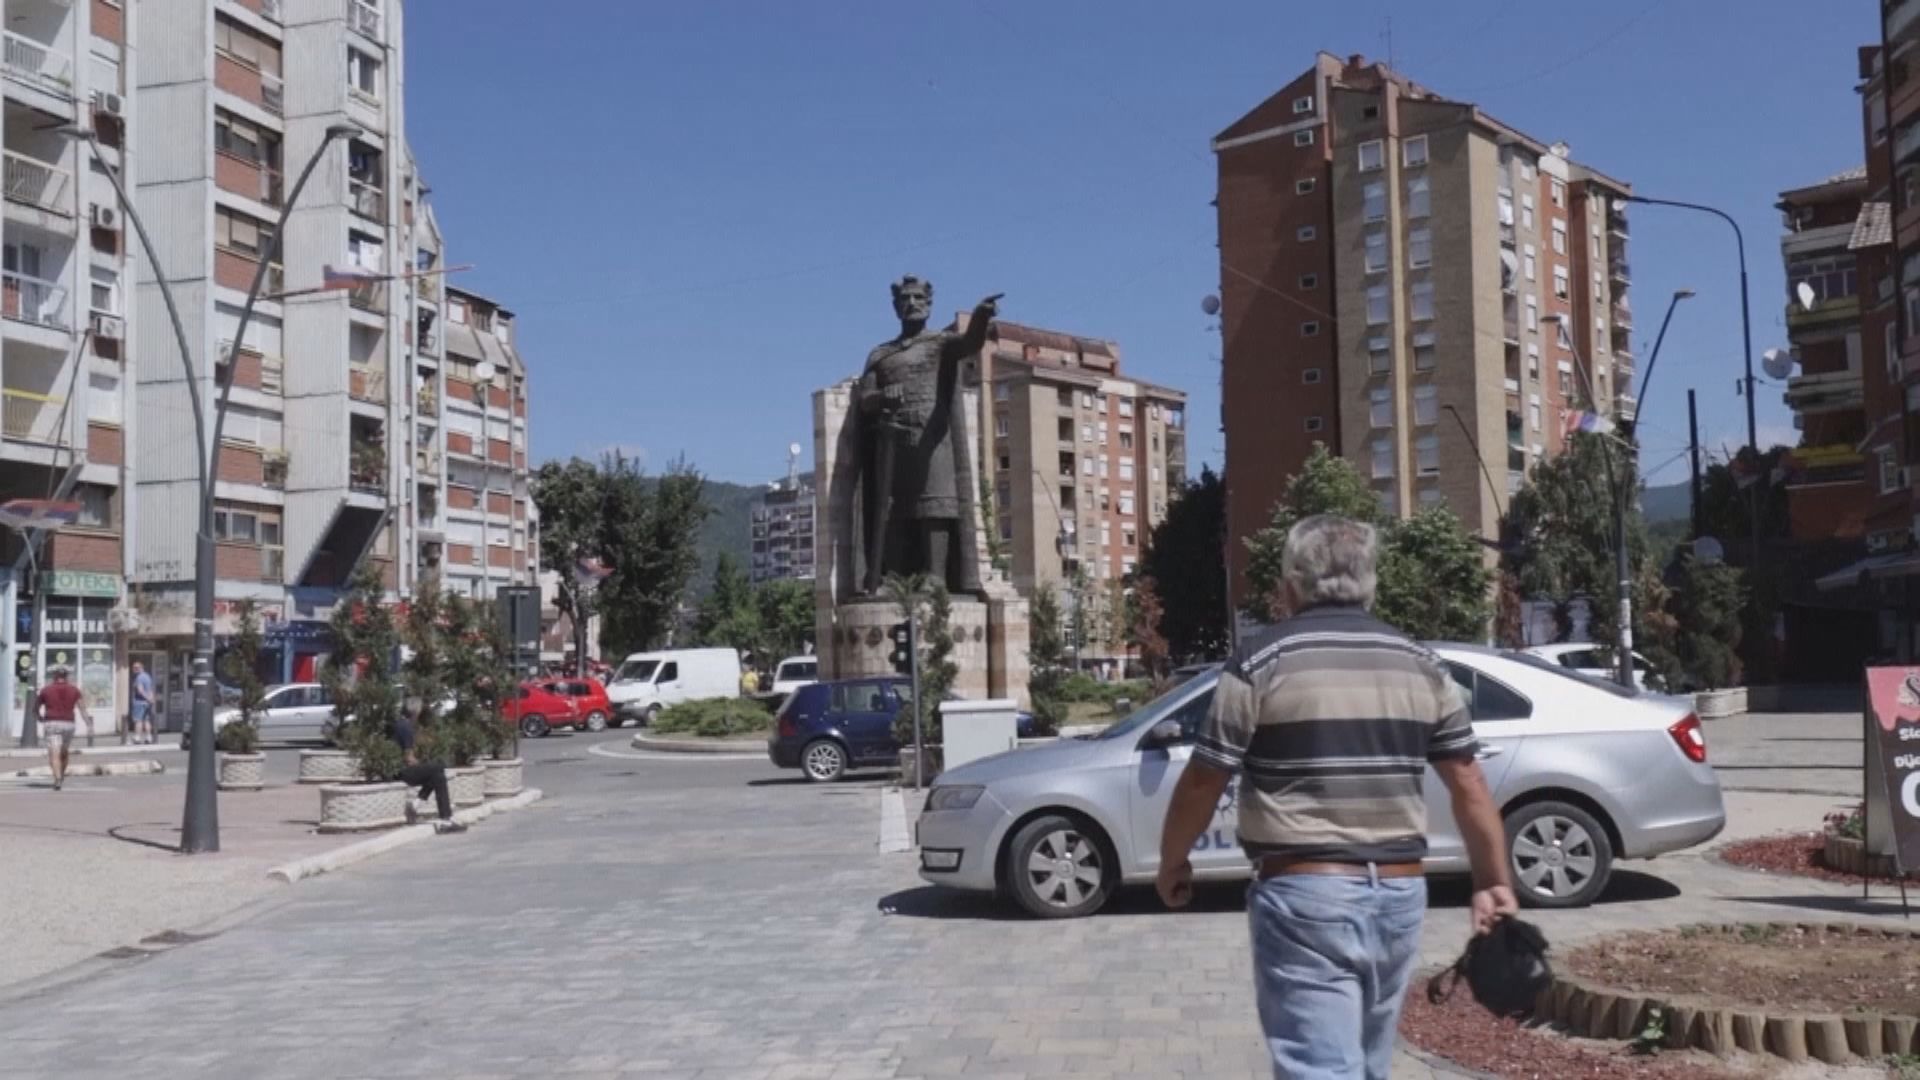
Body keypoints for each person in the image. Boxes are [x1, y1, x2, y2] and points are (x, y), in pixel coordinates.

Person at [1156, 515, 1517, 1079]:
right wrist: (1493, 880)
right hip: (1399, 893)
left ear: (1290, 585)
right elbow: (1467, 780)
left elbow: (1206, 777)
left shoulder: (1260, 661)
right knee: (1368, 1065)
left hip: (1305, 894)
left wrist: (1173, 860)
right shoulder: (1421, 663)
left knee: (1320, 1068)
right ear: (1369, 583)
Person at [391, 701, 465, 834]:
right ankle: (442, 817)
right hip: (402, 772)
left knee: (437, 775)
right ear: (415, 713)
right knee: (438, 768)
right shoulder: (405, 727)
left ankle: (440, 817)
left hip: (398, 769)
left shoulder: (400, 724)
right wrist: (420, 764)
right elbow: (408, 758)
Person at [35, 666, 92, 792]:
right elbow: (82, 708)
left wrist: (39, 717)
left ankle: (57, 779)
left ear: (54, 676)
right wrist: (88, 723)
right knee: (64, 751)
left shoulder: (46, 690)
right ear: (66, 677)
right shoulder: (74, 690)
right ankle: (61, 774)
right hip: (68, 724)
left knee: (54, 753)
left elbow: (36, 707)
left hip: (52, 723)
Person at [130, 661, 156, 746]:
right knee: (147, 720)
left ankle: (137, 738)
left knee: (138, 720)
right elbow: (150, 689)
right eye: (134, 668)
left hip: (140, 702)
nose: (134, 669)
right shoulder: (147, 676)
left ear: (141, 668)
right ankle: (149, 737)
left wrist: (148, 698)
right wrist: (151, 699)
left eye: (137, 668)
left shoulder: (139, 678)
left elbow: (140, 691)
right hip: (147, 703)